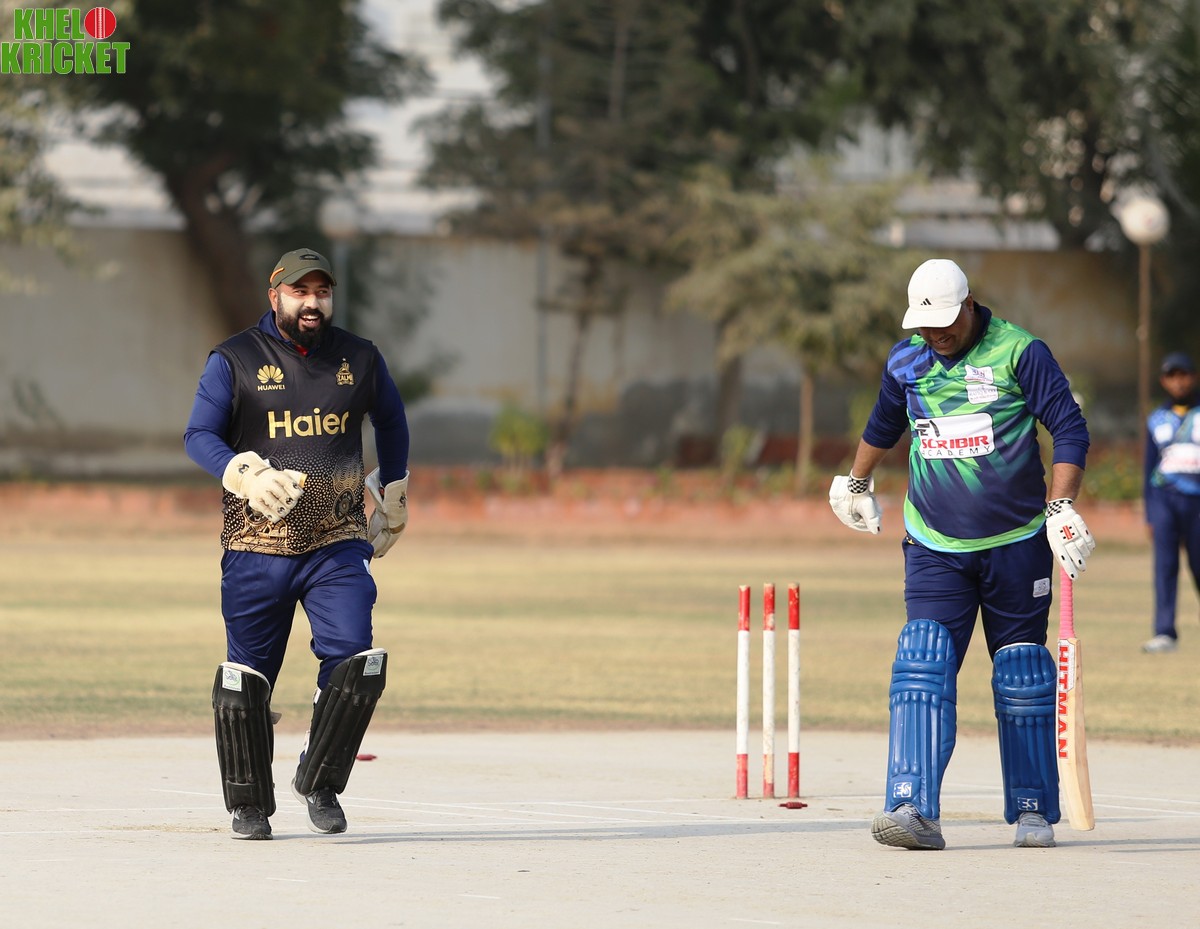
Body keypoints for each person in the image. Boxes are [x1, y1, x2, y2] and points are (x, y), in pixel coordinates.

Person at [828, 258, 1094, 851]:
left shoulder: (1020, 352)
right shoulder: (907, 361)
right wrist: (855, 482)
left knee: (1022, 673)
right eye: (925, 325)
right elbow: (883, 424)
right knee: (921, 660)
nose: (937, 334)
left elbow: (1069, 428)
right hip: (934, 544)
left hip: (1016, 544)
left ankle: (1032, 808)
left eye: (946, 321)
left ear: (970, 304)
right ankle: (911, 808)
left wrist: (1061, 506)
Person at [184, 247, 411, 840]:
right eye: (300, 292)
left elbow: (391, 420)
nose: (313, 303)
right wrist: (243, 474)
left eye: (322, 292)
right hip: (256, 544)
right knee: (247, 679)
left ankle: (321, 782)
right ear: (275, 295)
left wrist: (394, 489)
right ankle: (248, 804)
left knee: (355, 662)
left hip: (337, 541)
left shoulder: (360, 357)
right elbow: (198, 434)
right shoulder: (235, 359)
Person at [1142, 351, 1200, 653]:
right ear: (1164, 381)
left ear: (1194, 377)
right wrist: (1149, 514)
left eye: (1184, 375)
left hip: (1197, 501)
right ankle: (1164, 632)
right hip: (1164, 499)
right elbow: (1148, 468)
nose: (1179, 382)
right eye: (1172, 376)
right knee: (1165, 566)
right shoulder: (1156, 419)